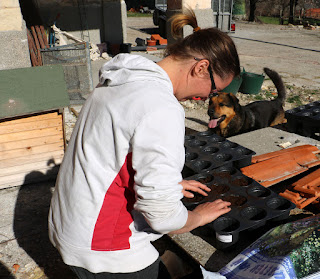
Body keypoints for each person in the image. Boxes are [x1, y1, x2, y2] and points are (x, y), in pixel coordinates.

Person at [48, 8, 240, 279]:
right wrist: (198, 217)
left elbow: (111, 157)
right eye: (214, 89)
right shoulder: (160, 107)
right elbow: (162, 216)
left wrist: (169, 184)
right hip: (106, 247)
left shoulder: (118, 81)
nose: (206, 98)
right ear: (201, 68)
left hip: (71, 225)